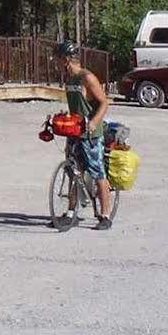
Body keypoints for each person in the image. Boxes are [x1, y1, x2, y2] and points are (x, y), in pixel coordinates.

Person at [60, 39, 115, 228]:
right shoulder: (69, 79)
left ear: (67, 59)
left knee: (97, 171)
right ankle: (70, 212)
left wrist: (93, 122)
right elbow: (76, 105)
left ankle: (105, 215)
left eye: (59, 59)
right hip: (74, 130)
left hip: (91, 134)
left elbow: (103, 102)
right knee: (73, 172)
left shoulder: (87, 78)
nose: (57, 63)